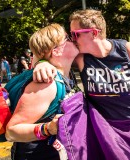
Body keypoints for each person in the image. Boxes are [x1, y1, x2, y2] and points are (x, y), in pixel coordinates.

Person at [33, 9, 130, 120]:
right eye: (71, 35)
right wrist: (42, 63)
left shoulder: (128, 51)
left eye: (76, 34)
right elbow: (47, 54)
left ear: (94, 33)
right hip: (103, 131)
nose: (72, 39)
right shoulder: (81, 57)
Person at [5, 23, 79, 160]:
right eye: (68, 37)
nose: (74, 39)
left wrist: (41, 62)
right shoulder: (46, 84)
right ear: (56, 51)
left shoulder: (67, 74)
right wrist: (48, 128)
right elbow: (11, 131)